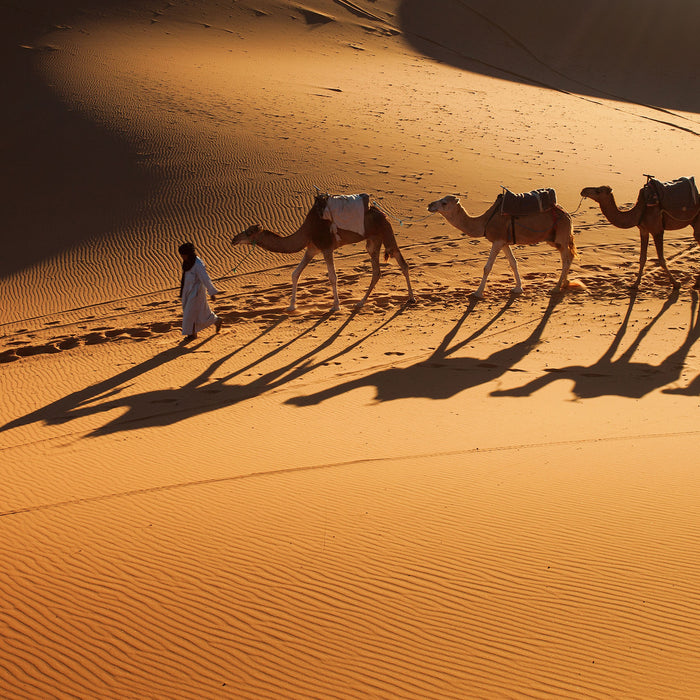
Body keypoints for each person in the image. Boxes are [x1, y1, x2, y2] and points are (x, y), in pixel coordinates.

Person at [178, 241, 222, 340]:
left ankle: (192, 334)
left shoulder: (198, 264)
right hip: (188, 291)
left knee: (190, 313)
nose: (182, 257)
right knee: (199, 313)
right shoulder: (187, 262)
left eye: (183, 255)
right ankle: (216, 320)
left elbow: (205, 278)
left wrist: (212, 292)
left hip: (196, 292)